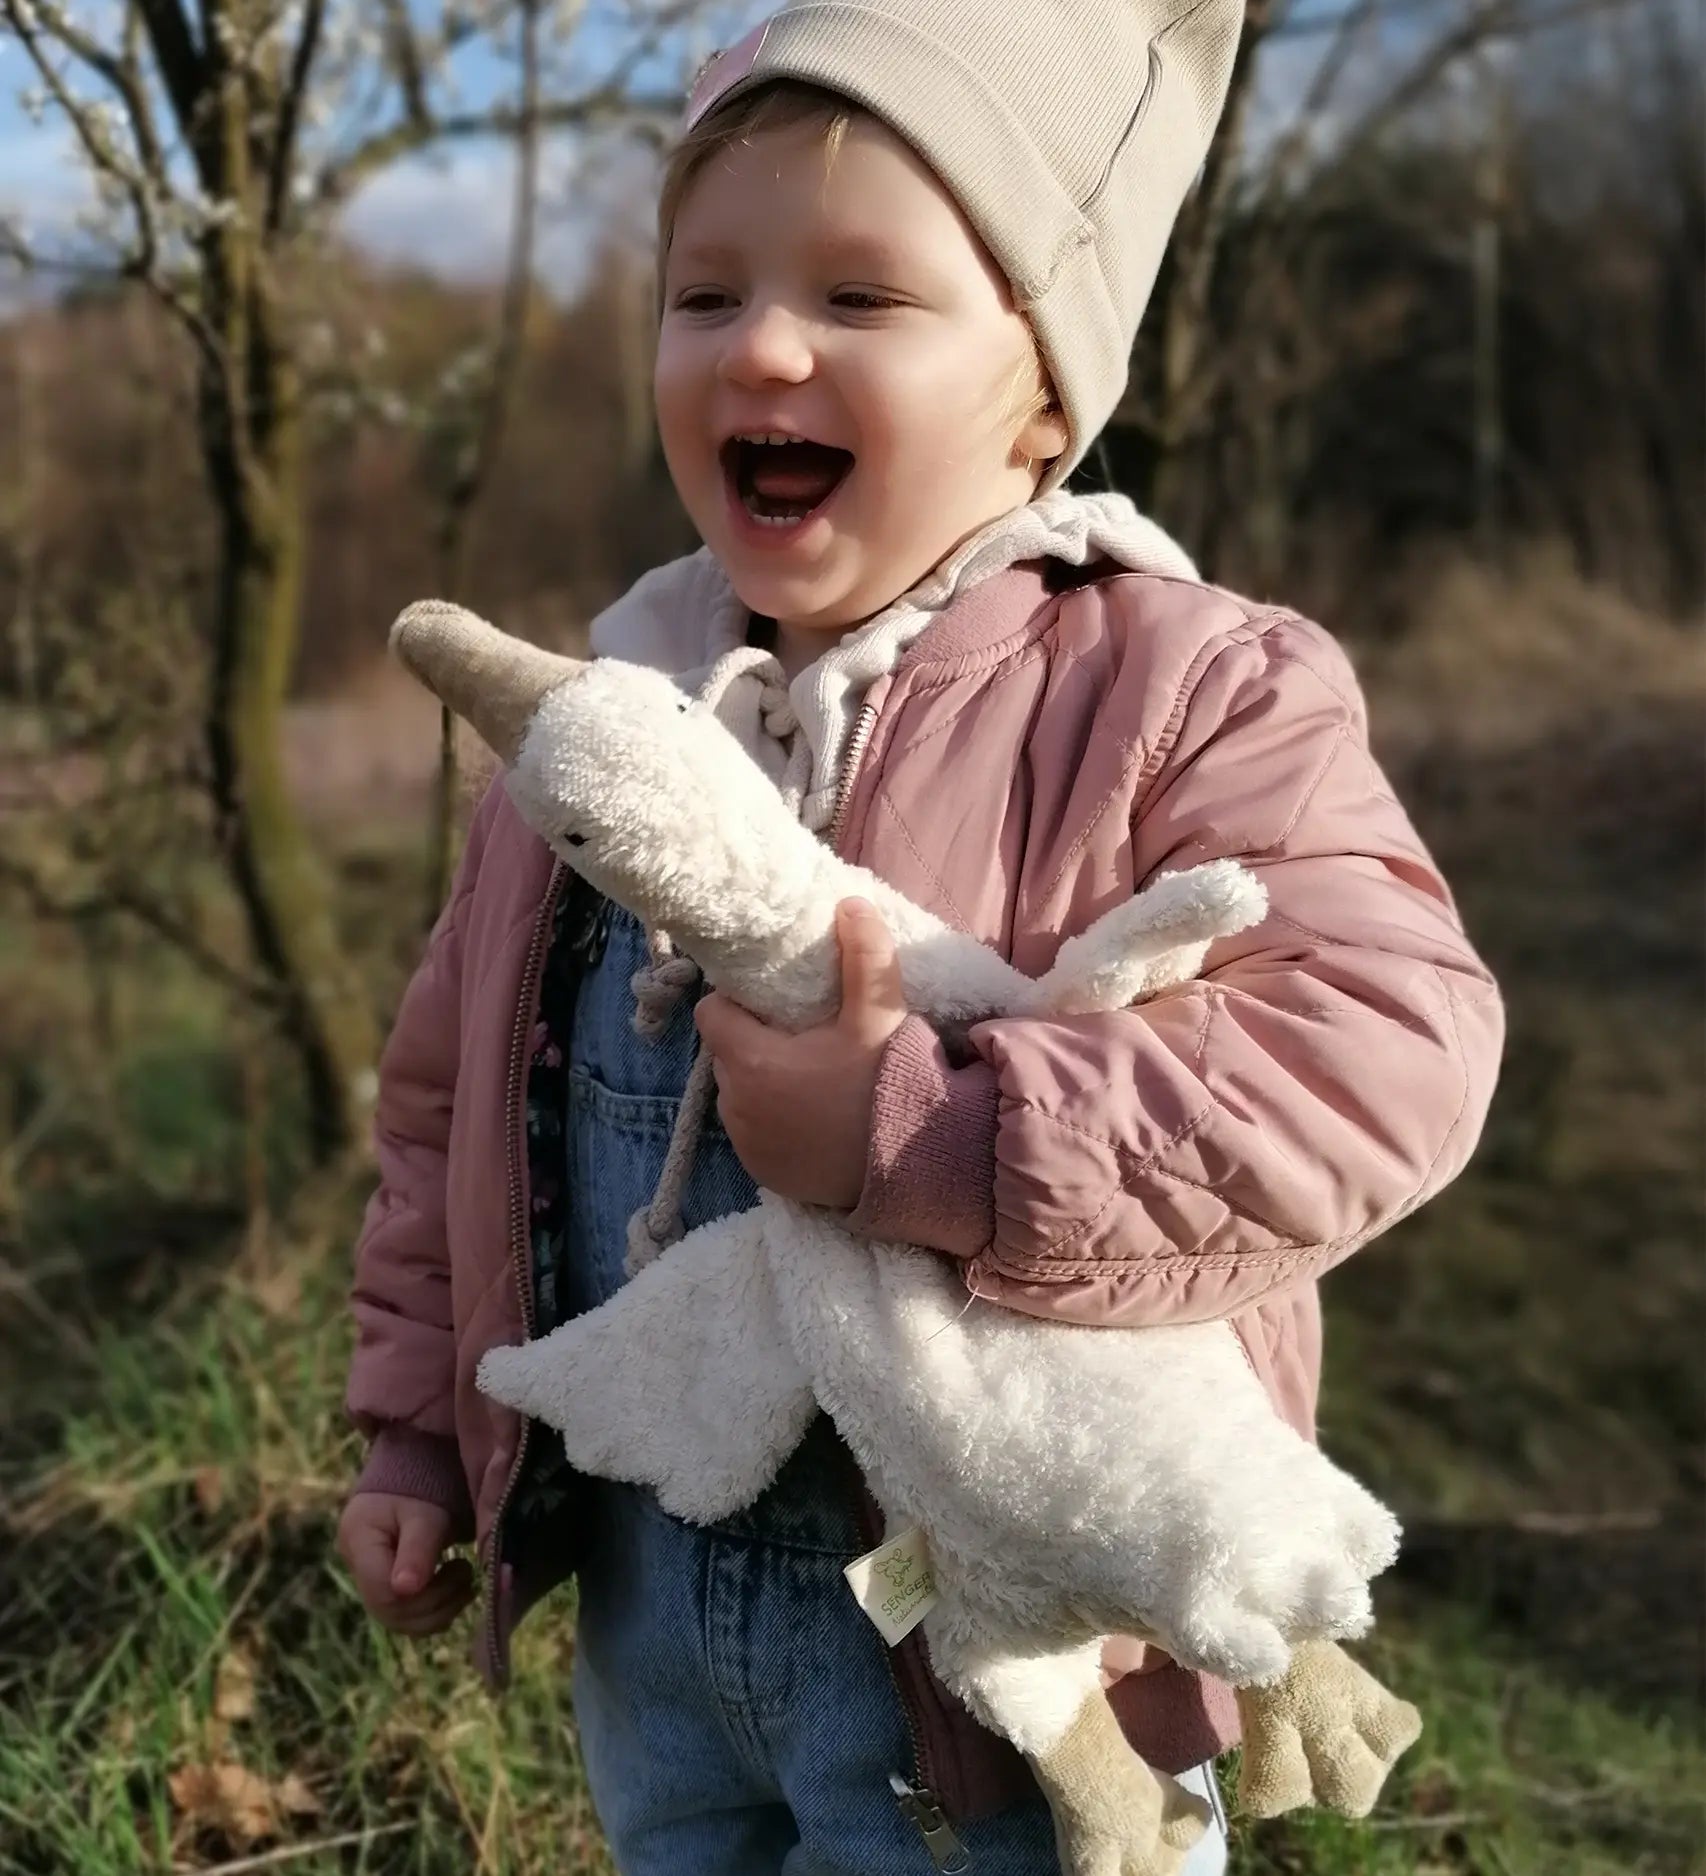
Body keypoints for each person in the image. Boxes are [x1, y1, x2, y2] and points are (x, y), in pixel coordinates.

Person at [337, 3, 1505, 1871]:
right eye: (704, 295)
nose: (763, 345)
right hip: (658, 1612)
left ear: (1042, 389)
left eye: (862, 300)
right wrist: (410, 1432)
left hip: (1011, 1648)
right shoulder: (610, 726)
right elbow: (443, 1118)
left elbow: (1386, 1047)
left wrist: (929, 1135)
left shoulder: (1176, 686)